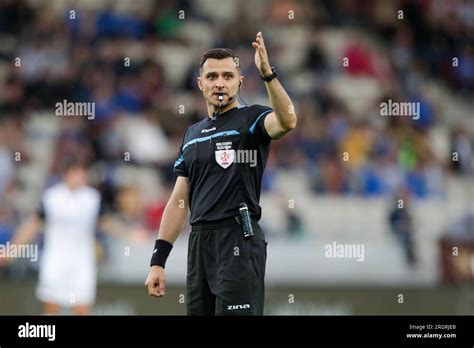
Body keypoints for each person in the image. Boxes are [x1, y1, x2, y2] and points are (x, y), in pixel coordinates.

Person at [145, 32, 297, 315]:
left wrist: (268, 75)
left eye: (228, 76)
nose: (220, 83)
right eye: (213, 76)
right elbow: (179, 201)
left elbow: (288, 120)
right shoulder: (192, 135)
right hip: (200, 244)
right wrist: (158, 260)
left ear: (239, 81)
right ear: (200, 84)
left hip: (238, 239)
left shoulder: (252, 119)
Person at [4, 158, 102, 315]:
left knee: (82, 308)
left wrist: (131, 234)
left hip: (82, 262)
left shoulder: (93, 198)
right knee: (51, 308)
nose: (81, 177)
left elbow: (105, 222)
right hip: (55, 260)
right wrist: (12, 250)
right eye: (77, 172)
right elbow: (32, 224)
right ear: (67, 174)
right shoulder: (51, 197)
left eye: (83, 173)